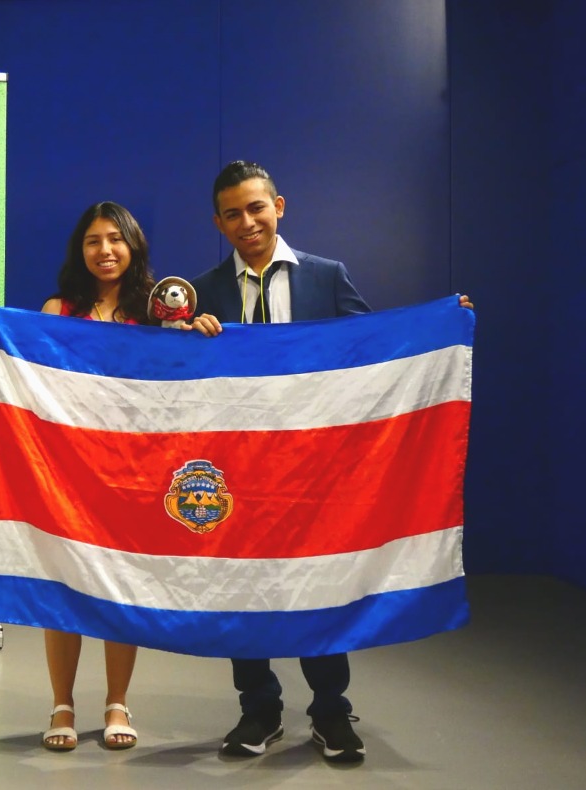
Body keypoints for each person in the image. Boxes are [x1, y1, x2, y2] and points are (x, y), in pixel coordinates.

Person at [188, 160, 471, 764]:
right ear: (218, 222)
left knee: (320, 580)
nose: (247, 221)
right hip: (240, 471)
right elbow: (185, 381)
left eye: (256, 207)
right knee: (246, 588)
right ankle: (258, 708)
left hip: (314, 469)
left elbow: (374, 351)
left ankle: (330, 711)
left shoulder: (326, 276)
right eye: (232, 213)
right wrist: (191, 332)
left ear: (279, 206)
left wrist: (438, 324)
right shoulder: (206, 290)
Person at [33, 201, 156, 752]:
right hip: (66, 471)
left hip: (132, 473)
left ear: (133, 246)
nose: (105, 250)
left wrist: (197, 334)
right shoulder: (57, 310)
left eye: (115, 239)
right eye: (93, 241)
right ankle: (62, 704)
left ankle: (117, 702)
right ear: (79, 251)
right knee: (65, 586)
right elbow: (24, 371)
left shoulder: (157, 313)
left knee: (118, 585)